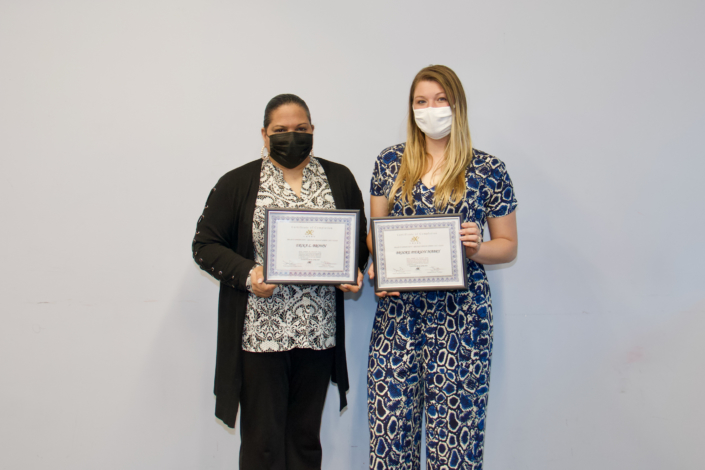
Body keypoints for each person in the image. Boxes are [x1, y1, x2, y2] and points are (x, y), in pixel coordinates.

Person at [192, 94, 368, 470]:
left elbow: (358, 244)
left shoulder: (338, 178)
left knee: (305, 440)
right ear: (264, 133)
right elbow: (205, 245)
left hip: (317, 334)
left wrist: (352, 272)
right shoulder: (238, 182)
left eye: (301, 129)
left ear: (313, 131)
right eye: (281, 130)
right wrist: (249, 274)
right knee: (263, 444)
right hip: (259, 337)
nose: (293, 136)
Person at [366, 65, 518, 470]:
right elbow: (374, 235)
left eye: (439, 100)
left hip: (463, 322)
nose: (430, 109)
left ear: (457, 105)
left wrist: (477, 249)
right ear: (411, 108)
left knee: (456, 441)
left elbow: (507, 247)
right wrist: (377, 267)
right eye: (420, 101)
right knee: (389, 434)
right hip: (398, 317)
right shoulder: (389, 162)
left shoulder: (488, 168)